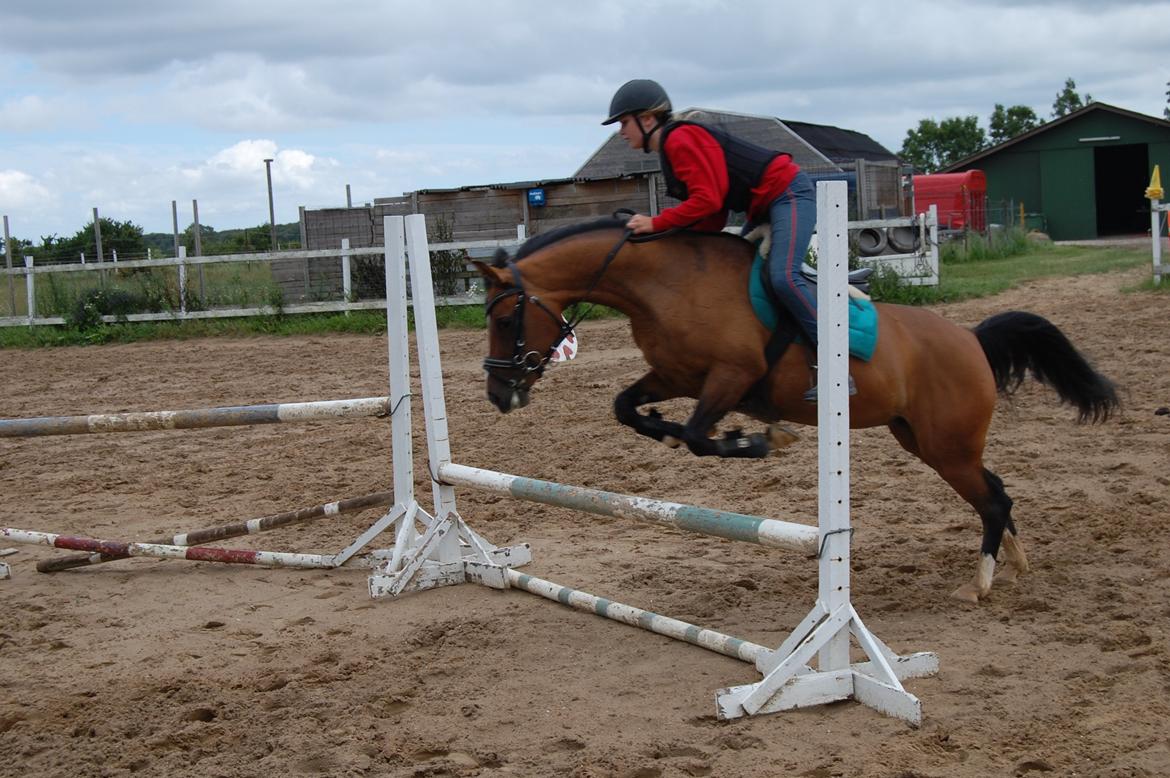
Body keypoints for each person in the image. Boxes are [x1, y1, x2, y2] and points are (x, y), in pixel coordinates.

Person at [602, 78, 855, 402]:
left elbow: (707, 202)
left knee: (782, 277)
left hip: (788, 192)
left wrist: (657, 223)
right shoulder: (671, 146)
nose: (621, 131)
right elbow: (714, 215)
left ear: (647, 119)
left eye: (624, 122)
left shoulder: (679, 141)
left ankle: (837, 366)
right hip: (764, 204)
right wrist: (670, 238)